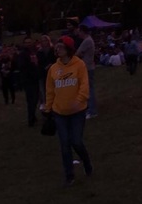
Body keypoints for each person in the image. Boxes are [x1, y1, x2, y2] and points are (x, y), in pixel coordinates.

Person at [44, 36, 92, 187]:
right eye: (57, 47)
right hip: (60, 113)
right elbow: (50, 91)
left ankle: (86, 162)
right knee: (64, 144)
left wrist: (79, 99)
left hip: (78, 111)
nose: (57, 50)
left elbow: (84, 85)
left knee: (76, 141)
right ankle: (69, 175)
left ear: (69, 49)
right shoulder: (53, 69)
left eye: (61, 47)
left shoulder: (79, 65)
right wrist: (48, 108)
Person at [18, 36, 40, 126]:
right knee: (31, 100)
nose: (28, 44)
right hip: (28, 80)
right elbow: (22, 66)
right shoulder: (22, 54)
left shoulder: (34, 52)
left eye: (29, 42)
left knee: (35, 99)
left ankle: (33, 116)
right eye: (26, 43)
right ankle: (31, 119)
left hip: (35, 79)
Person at [75, 25, 97, 119]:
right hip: (89, 67)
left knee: (89, 89)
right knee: (88, 89)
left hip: (87, 68)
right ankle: (89, 109)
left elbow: (77, 53)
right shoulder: (89, 40)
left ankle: (92, 111)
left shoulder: (87, 41)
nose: (78, 33)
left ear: (82, 31)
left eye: (79, 31)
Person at [37, 35, 56, 109]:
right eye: (43, 41)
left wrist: (51, 65)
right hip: (43, 73)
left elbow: (55, 60)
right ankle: (46, 104)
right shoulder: (39, 52)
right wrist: (44, 67)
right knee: (44, 90)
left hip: (52, 73)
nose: (44, 42)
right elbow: (38, 63)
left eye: (45, 40)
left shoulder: (53, 50)